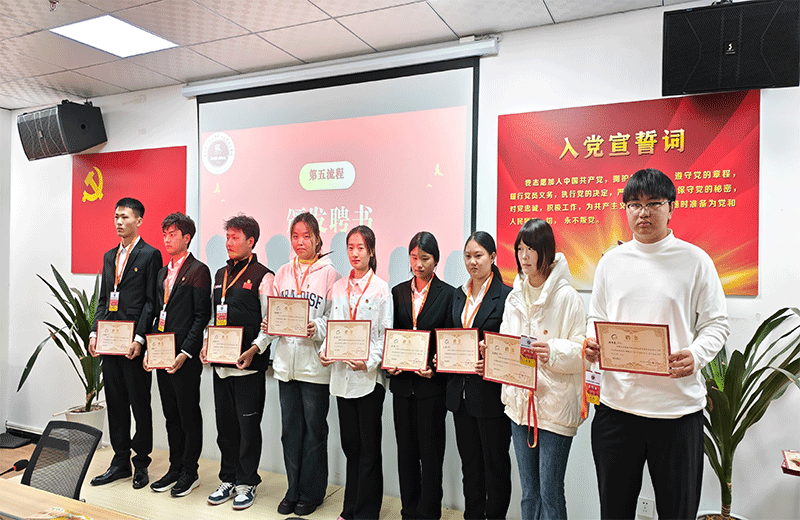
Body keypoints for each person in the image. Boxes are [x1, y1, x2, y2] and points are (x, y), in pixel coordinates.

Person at [584, 168, 729, 520]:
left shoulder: (695, 261)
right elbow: (596, 316)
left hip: (675, 411)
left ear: (671, 207)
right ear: (625, 209)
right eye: (634, 204)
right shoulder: (610, 262)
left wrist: (696, 355)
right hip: (617, 408)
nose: (643, 213)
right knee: (614, 510)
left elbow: (716, 324)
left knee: (677, 512)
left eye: (653, 203)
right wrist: (592, 341)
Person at [499, 218, 586, 520]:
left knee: (550, 491)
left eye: (531, 249)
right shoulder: (514, 297)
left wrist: (553, 351)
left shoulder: (568, 297)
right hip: (519, 405)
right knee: (529, 491)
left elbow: (583, 351)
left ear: (546, 251)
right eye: (519, 249)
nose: (524, 257)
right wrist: (494, 353)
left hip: (555, 406)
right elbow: (508, 342)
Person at [261, 212, 338, 517]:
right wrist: (266, 329)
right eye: (295, 236)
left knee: (314, 432)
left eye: (306, 236)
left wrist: (316, 328)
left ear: (318, 239)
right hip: (285, 366)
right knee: (290, 432)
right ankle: (292, 489)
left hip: (314, 367)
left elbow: (335, 318)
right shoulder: (282, 272)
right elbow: (274, 316)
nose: (300, 242)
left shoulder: (330, 275)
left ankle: (312, 492)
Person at [319, 225, 392, 520]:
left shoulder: (381, 289)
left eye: (361, 248)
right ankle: (350, 509)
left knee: (369, 449)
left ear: (371, 251)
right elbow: (331, 327)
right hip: (341, 379)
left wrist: (369, 362)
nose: (355, 253)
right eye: (350, 247)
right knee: (351, 447)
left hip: (368, 380)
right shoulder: (338, 287)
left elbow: (385, 336)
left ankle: (367, 512)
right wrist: (325, 351)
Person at [200, 215, 274, 511]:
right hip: (220, 365)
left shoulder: (263, 276)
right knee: (225, 428)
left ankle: (247, 482)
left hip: (247, 367)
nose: (229, 243)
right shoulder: (220, 274)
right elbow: (212, 316)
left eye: (235, 237)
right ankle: (228, 478)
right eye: (227, 237)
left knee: (248, 429)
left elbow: (270, 323)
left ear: (251, 241)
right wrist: (206, 343)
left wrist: (254, 349)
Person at [89, 197, 162, 490]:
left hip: (133, 344)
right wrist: (94, 333)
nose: (119, 222)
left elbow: (151, 302)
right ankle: (120, 462)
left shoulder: (150, 255)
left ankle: (141, 463)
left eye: (125, 217)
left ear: (139, 221)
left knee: (140, 405)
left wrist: (140, 338)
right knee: (116, 404)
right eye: (116, 217)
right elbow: (103, 299)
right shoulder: (109, 256)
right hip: (110, 342)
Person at [143, 212, 211, 497]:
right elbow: (157, 313)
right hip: (162, 354)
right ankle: (174, 467)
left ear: (187, 237)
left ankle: (190, 472)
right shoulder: (162, 272)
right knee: (170, 414)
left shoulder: (198, 270)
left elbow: (201, 316)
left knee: (188, 414)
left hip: (184, 356)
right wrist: (149, 349)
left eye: (173, 234)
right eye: (165, 234)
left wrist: (186, 352)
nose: (167, 240)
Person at [446, 231, 512, 520]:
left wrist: (492, 358)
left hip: (491, 395)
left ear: (493, 257)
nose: (472, 262)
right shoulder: (458, 294)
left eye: (479, 255)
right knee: (470, 465)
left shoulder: (507, 296)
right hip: (460, 395)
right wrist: (442, 357)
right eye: (468, 256)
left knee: (495, 467)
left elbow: (511, 347)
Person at [389, 231, 454, 520]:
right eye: (414, 258)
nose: (418, 264)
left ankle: (429, 513)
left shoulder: (448, 294)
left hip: (431, 388)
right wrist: (388, 364)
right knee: (405, 454)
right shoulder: (397, 292)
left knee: (431, 455)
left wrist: (435, 368)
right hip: (403, 387)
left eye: (424, 258)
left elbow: (449, 343)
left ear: (435, 260)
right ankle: (408, 511)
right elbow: (390, 334)